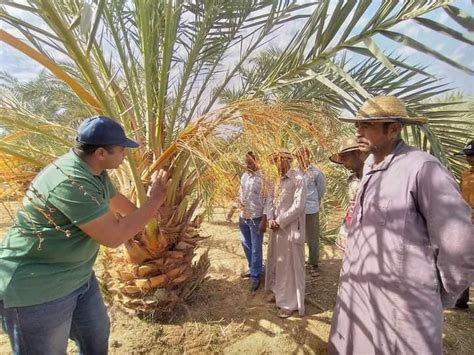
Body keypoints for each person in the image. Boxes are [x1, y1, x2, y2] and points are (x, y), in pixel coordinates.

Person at [0, 116, 168, 355]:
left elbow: (125, 210)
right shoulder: (71, 182)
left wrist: (154, 214)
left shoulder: (95, 172)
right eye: (121, 150)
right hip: (38, 287)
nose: (124, 156)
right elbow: (114, 237)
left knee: (96, 338)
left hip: (78, 279)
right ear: (101, 152)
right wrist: (155, 200)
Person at [328, 96, 473, 355]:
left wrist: (437, 293)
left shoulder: (422, 168)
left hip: (404, 307)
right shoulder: (371, 166)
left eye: (368, 125)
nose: (358, 131)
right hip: (362, 297)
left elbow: (458, 240)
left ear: (394, 129)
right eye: (358, 124)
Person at [265, 151, 306, 318]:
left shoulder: (298, 179)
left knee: (289, 266)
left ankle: (290, 303)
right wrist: (269, 218)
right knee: (276, 262)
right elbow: (269, 200)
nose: (278, 164)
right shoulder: (274, 179)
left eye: (280, 161)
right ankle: (277, 294)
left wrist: (279, 220)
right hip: (276, 229)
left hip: (289, 229)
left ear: (289, 161)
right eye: (275, 161)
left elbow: (298, 206)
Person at [226, 152, 272, 292]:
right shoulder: (244, 176)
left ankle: (256, 275)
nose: (247, 165)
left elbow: (269, 200)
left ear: (257, 161)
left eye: (250, 162)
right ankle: (253, 267)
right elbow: (240, 195)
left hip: (257, 217)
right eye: (246, 163)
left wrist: (264, 219)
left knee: (256, 247)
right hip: (244, 216)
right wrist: (232, 210)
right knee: (245, 243)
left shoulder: (265, 178)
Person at [328, 137, 367, 251]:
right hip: (350, 232)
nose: (343, 163)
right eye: (340, 158)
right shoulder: (351, 179)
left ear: (358, 153)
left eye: (344, 157)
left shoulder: (372, 179)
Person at [295, 147, 326, 275]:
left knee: (312, 238)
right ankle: (299, 263)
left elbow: (321, 191)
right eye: (300, 156)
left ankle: (313, 264)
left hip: (311, 210)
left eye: (305, 155)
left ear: (309, 156)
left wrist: (313, 202)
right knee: (298, 238)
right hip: (296, 211)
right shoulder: (294, 173)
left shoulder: (317, 173)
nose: (302, 158)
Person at [453, 139, 474, 309]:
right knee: (462, 261)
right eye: (467, 156)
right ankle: (461, 299)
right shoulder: (465, 175)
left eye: (472, 155)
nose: (469, 159)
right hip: (465, 224)